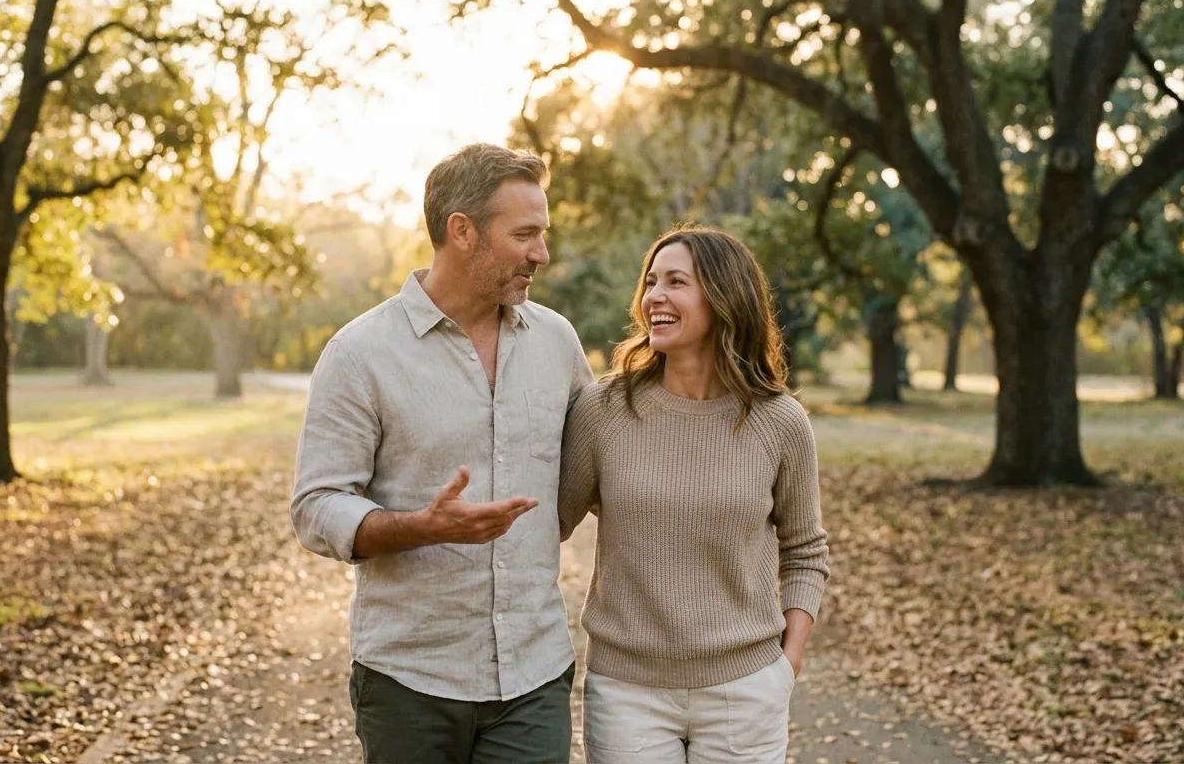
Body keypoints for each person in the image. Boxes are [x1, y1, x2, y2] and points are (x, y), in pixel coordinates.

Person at [290, 143, 593, 763]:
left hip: (534, 673)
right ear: (462, 231)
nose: (542, 253)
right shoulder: (359, 354)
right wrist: (421, 529)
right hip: (410, 679)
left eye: (543, 234)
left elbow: (603, 459)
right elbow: (316, 506)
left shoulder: (557, 342)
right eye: (525, 234)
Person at [559, 226, 829, 763]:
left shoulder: (780, 421)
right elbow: (547, 528)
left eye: (676, 282)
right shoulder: (603, 411)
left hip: (745, 691)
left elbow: (806, 552)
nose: (654, 296)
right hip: (627, 692)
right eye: (651, 282)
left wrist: (787, 665)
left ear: (724, 297)